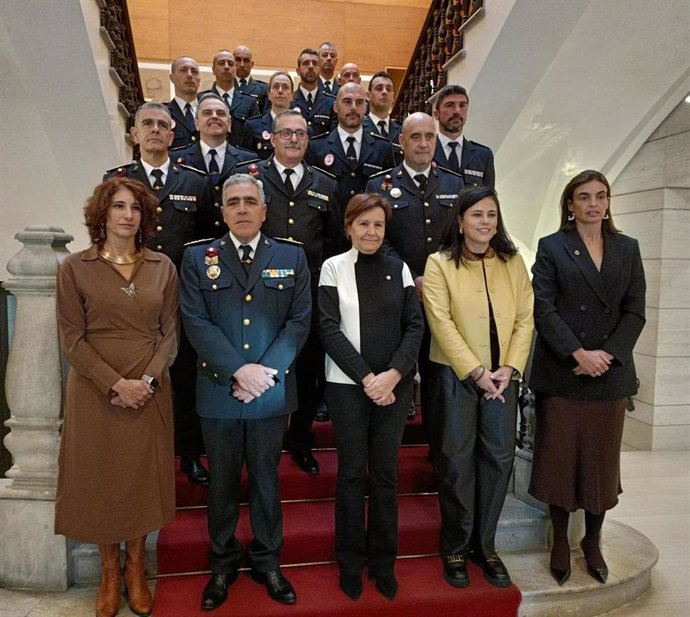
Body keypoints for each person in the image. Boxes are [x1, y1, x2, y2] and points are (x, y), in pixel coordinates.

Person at [180, 173, 311, 610]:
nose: (241, 208)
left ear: (264, 209)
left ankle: (268, 560)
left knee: (266, 479)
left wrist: (263, 374)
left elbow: (299, 322)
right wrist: (238, 371)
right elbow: (196, 323)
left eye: (249, 201)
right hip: (219, 391)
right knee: (221, 482)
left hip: (270, 395)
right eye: (232, 202)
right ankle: (222, 564)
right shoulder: (199, 258)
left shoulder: (291, 256)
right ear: (222, 211)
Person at [55, 177, 179, 617]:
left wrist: (144, 380)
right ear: (102, 215)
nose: (128, 215)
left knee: (142, 477)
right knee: (103, 478)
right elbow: (72, 338)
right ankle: (109, 571)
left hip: (148, 391)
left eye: (135, 208)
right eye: (118, 206)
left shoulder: (162, 266)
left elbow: (170, 335)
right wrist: (115, 384)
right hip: (95, 391)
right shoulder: (75, 267)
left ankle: (135, 568)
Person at [528, 170, 646, 586]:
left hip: (608, 378)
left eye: (600, 196)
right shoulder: (552, 247)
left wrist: (607, 356)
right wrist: (577, 353)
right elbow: (543, 308)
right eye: (584, 197)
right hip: (564, 373)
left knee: (600, 464)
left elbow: (635, 311)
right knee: (560, 462)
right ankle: (561, 540)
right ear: (570, 204)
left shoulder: (627, 249)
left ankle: (592, 541)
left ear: (608, 202)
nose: (593, 203)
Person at [422, 186, 533, 589]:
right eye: (477, 215)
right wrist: (475, 371)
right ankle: (455, 546)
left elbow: (525, 318)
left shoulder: (513, 261)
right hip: (455, 375)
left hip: (502, 378)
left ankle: (485, 546)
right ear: (461, 220)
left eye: (491, 215)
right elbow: (441, 322)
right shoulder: (439, 263)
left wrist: (509, 367)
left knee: (499, 459)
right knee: (455, 461)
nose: (485, 222)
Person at [319, 193, 424, 601]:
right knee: (350, 475)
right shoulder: (333, 268)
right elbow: (328, 330)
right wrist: (368, 379)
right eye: (363, 223)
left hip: (392, 388)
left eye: (378, 224)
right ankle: (349, 561)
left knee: (385, 475)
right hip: (348, 388)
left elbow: (414, 327)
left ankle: (383, 563)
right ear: (349, 227)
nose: (371, 231)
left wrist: (394, 375)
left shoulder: (398, 269)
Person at [105, 101, 214, 486]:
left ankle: (189, 455)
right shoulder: (116, 180)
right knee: (136, 375)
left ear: (173, 135)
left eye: (162, 125)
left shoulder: (195, 181)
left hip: (182, 298)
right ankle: (141, 458)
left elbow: (206, 241)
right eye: (147, 124)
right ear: (134, 135)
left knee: (184, 379)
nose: (155, 130)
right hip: (133, 298)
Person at [238, 109, 342, 475]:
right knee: (259, 364)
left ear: (308, 139)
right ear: (273, 137)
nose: (294, 139)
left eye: (300, 134)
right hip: (260, 292)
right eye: (286, 133)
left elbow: (333, 241)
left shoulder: (326, 184)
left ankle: (299, 440)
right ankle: (254, 446)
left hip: (308, 293)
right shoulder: (252, 177)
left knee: (308, 369)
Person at [366, 111, 463, 429]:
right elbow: (376, 240)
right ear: (401, 141)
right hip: (399, 298)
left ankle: (441, 455)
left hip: (445, 299)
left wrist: (436, 279)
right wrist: (412, 277)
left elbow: (459, 238)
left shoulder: (454, 183)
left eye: (429, 136)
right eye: (415, 137)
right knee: (399, 373)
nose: (423, 144)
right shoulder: (380, 184)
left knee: (440, 381)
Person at [307, 82, 396, 218]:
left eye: (359, 102)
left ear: (365, 107)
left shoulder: (383, 148)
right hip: (330, 232)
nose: (354, 108)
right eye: (347, 102)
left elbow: (387, 195)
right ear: (336, 107)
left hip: (368, 231)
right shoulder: (316, 147)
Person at [175, 93, 259, 236]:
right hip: (191, 244)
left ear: (230, 124)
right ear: (196, 123)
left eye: (220, 113)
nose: (214, 116)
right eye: (207, 113)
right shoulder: (177, 160)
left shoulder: (249, 160)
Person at [433, 84, 495, 188]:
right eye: (449, 105)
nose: (457, 111)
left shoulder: (483, 155)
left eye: (462, 105)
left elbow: (488, 200)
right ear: (436, 114)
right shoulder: (426, 151)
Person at [200, 50, 260, 146]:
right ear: (213, 69)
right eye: (221, 63)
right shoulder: (201, 100)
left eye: (231, 64)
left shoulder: (249, 102)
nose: (227, 67)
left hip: (241, 158)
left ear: (235, 69)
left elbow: (254, 135)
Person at [241, 71, 295, 159]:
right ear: (269, 94)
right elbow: (246, 161)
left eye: (285, 87)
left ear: (292, 95)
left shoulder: (302, 128)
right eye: (276, 87)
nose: (280, 90)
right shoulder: (253, 126)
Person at [293, 48, 336, 137]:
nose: (311, 67)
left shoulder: (331, 102)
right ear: (298, 71)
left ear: (320, 70)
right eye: (306, 63)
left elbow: (333, 137)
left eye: (315, 63)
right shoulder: (290, 101)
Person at [168, 56, 202, 149]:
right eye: (183, 70)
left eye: (194, 71)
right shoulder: (165, 114)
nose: (190, 75)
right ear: (172, 78)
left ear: (199, 80)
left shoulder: (210, 112)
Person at [363, 71, 401, 143]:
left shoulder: (402, 130)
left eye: (388, 89)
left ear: (393, 97)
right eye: (379, 88)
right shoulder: (358, 128)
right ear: (368, 96)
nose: (384, 92)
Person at [233, 45, 268, 113]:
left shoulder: (263, 90)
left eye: (246, 60)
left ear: (252, 64)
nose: (242, 65)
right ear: (232, 63)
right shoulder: (225, 87)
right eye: (238, 60)